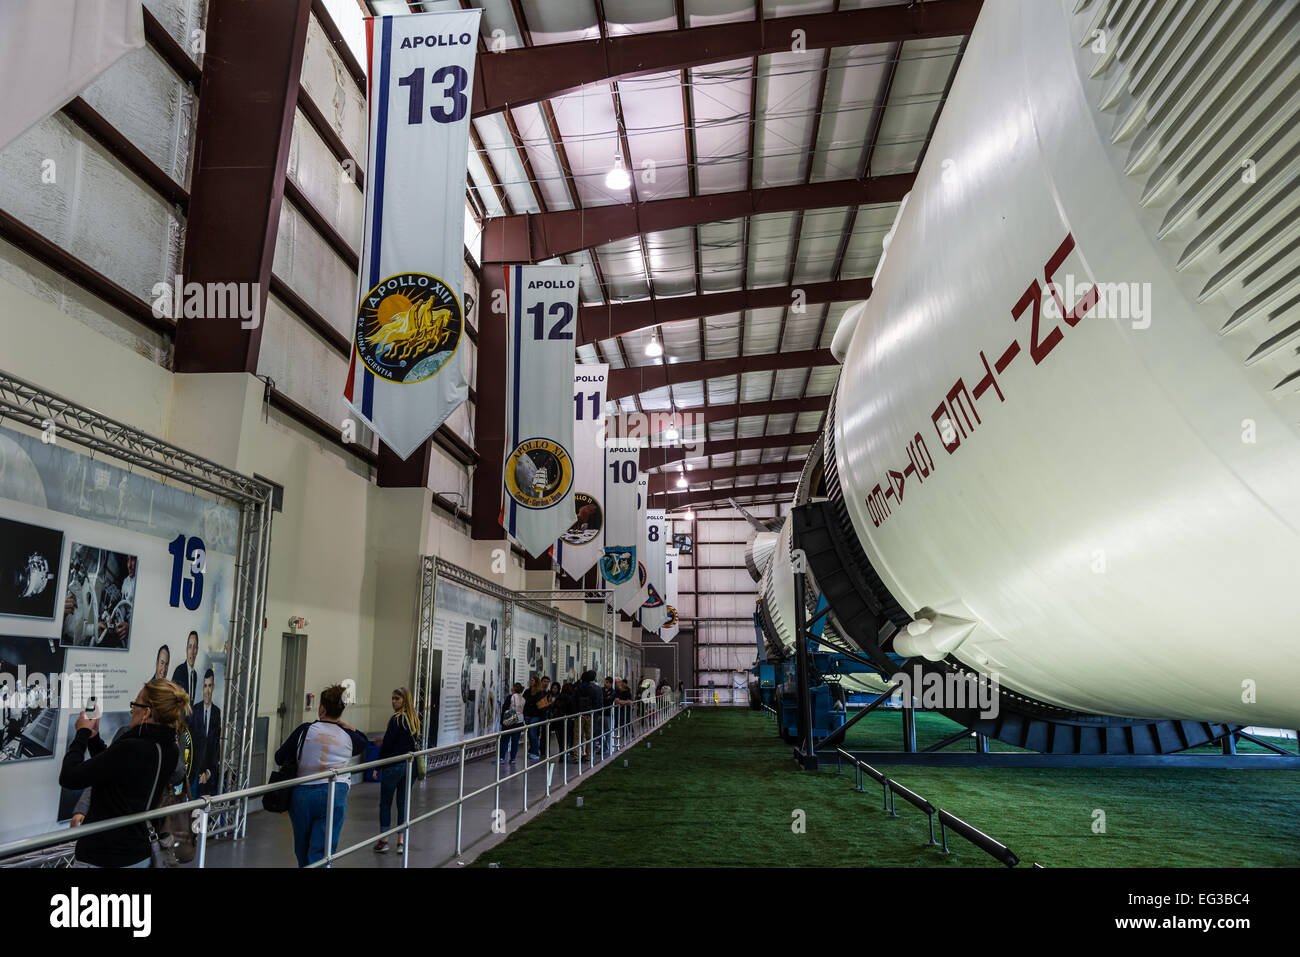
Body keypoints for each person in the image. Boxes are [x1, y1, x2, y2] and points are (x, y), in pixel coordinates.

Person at [58, 678, 188, 867]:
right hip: (137, 854)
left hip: (104, 855)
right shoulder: (168, 748)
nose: (132, 710)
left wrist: (82, 733)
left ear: (147, 712)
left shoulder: (132, 747)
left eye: (135, 704)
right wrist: (94, 740)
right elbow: (113, 768)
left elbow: (69, 777)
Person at [275, 684, 368, 868]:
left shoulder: (304, 730)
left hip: (302, 795)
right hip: (334, 793)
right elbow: (364, 742)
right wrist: (349, 727)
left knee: (302, 849)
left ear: (322, 708)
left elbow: (279, 757)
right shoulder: (349, 736)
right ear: (341, 711)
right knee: (322, 852)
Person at [373, 687, 419, 853]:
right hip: (410, 766)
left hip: (394, 766)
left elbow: (387, 746)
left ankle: (384, 840)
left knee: (385, 803)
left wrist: (378, 766)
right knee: (402, 803)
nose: (393, 702)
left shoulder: (396, 719)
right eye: (392, 698)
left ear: (404, 701)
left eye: (397, 699)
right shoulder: (414, 719)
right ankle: (401, 841)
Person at [189, 668, 220, 797]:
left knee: (205, 813)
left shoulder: (217, 713)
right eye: (205, 686)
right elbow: (189, 744)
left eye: (210, 686)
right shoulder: (194, 710)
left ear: (213, 687)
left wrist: (208, 773)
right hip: (194, 774)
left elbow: (216, 747)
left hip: (208, 776)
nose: (207, 690)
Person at [499, 682, 524, 764]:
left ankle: (501, 758)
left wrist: (502, 721)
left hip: (510, 720)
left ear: (513, 688)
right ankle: (513, 759)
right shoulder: (523, 699)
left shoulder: (510, 697)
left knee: (504, 740)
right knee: (515, 741)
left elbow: (505, 708)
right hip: (519, 721)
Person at [172, 631, 200, 701]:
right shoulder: (179, 671)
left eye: (195, 647)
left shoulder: (195, 675)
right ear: (186, 649)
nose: (192, 651)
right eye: (190, 647)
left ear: (197, 650)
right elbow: (172, 699)